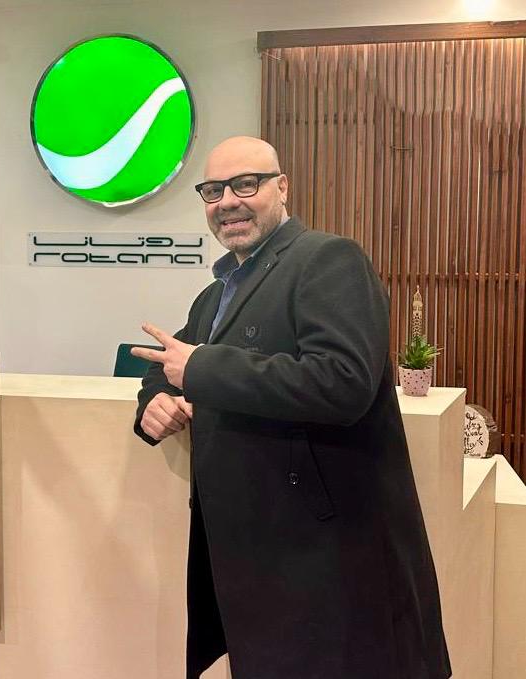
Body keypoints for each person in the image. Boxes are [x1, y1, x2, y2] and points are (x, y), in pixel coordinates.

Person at [131, 136, 451, 679]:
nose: (228, 201)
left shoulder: (327, 259)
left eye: (245, 184)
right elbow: (169, 363)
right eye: (213, 190)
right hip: (258, 564)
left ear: (282, 187)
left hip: (329, 562)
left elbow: (344, 381)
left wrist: (203, 370)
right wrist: (155, 401)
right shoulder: (215, 296)